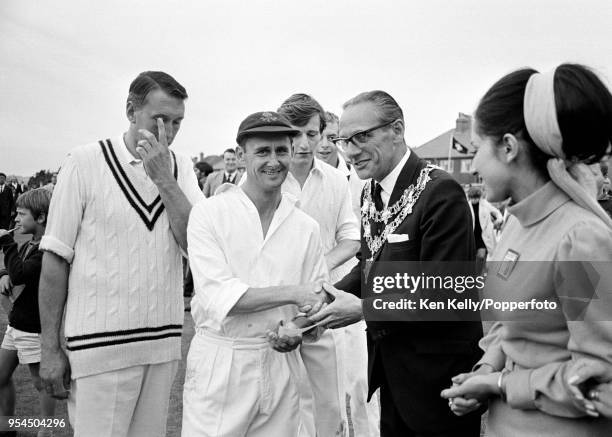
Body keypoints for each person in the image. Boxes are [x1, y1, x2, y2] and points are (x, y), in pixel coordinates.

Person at [439, 64, 612, 436]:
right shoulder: (517, 223)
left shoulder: (579, 240)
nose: (473, 165)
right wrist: (486, 369)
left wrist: (502, 385)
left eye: (475, 150)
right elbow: (515, 323)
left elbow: (602, 382)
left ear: (508, 147)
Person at [38, 71, 204, 437]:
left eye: (178, 122)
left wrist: (164, 178)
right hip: (98, 348)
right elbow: (54, 257)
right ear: (131, 110)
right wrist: (49, 348)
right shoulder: (84, 162)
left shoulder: (180, 167)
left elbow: (196, 244)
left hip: (162, 345)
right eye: (160, 120)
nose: (170, 132)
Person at [310, 90, 484, 436]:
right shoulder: (372, 191)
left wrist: (363, 309)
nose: (350, 150)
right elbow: (370, 265)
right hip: (392, 372)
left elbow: (441, 293)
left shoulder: (441, 192)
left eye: (362, 137)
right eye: (345, 139)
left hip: (438, 377)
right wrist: (324, 297)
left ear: (398, 129)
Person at [182, 111, 331, 436]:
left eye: (281, 151)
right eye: (263, 151)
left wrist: (298, 327)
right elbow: (220, 297)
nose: (273, 161)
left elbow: (318, 302)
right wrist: (294, 292)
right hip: (221, 363)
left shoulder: (306, 227)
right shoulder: (209, 215)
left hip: (281, 366)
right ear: (243, 154)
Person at [278, 94, 359, 436]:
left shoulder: (337, 180)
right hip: (279, 301)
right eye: (294, 134)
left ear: (322, 134)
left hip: (329, 299)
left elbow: (352, 238)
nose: (303, 143)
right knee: (286, 401)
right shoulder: (267, 177)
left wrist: (318, 270)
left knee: (331, 399)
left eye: (312, 134)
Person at [0, 189, 55, 437]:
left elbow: (22, 273)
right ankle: (7, 426)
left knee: (40, 383)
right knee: (0, 377)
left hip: (33, 327)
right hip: (16, 324)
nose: (16, 220)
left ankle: (47, 430)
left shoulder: (48, 249)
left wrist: (7, 243)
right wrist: (3, 275)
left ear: (41, 217)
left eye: (21, 214)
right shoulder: (32, 244)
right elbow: (15, 272)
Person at [316, 111, 367, 222]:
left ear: (340, 139)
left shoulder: (361, 180)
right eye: (319, 137)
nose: (324, 145)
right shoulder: (299, 179)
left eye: (331, 138)